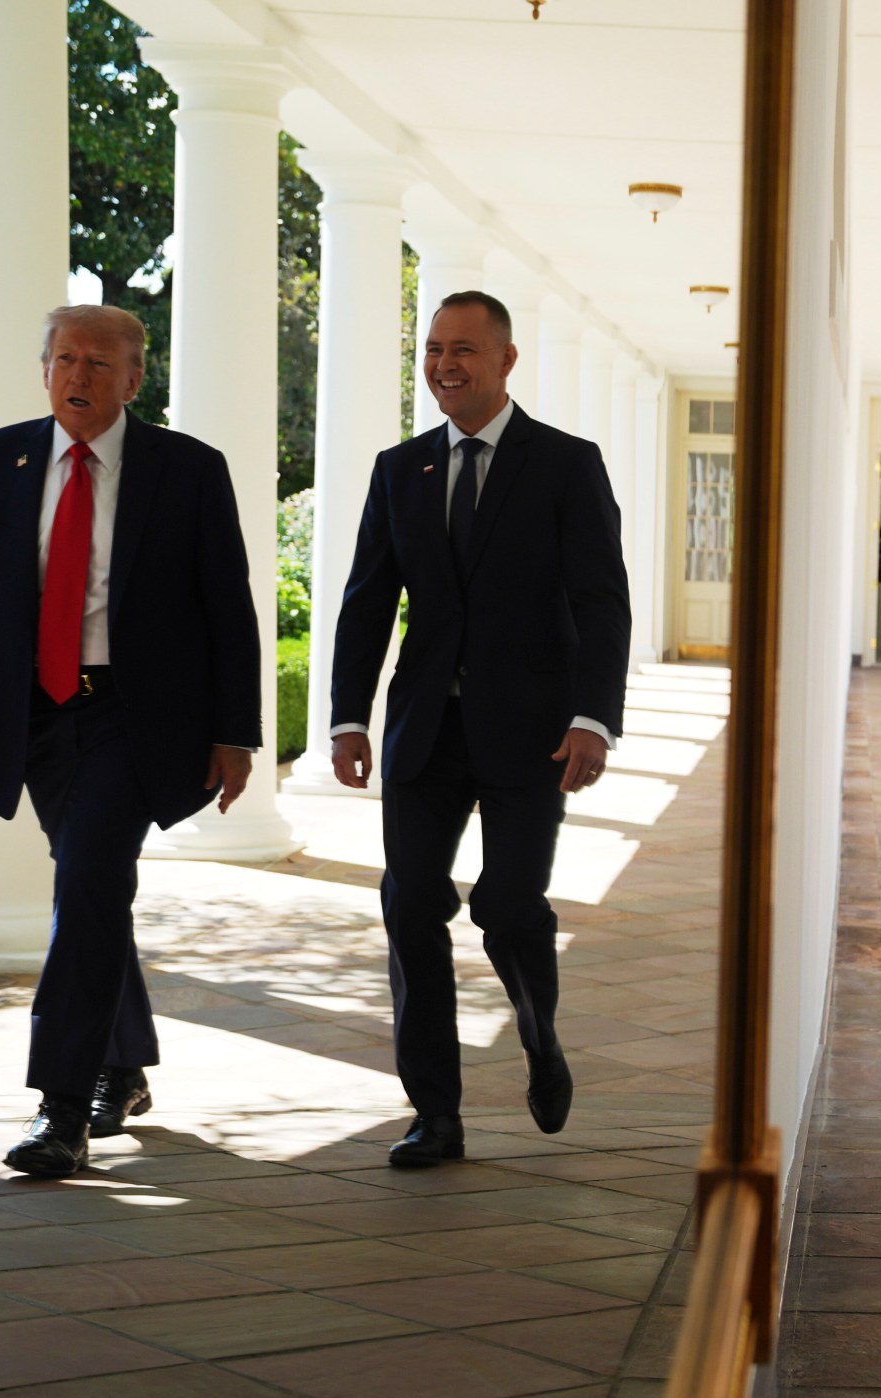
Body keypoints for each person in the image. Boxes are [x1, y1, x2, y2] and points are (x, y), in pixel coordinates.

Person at [0, 304, 260, 1179]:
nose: (79, 377)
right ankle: (124, 1066)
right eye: (64, 359)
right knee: (90, 892)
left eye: (99, 363)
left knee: (88, 883)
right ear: (44, 369)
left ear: (135, 379)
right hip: (37, 719)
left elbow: (227, 608)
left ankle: (62, 1108)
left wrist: (236, 732)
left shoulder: (187, 471)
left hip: (135, 721)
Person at [328, 290, 631, 1167]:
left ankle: (539, 1038)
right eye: (432, 349)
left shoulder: (566, 464)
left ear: (505, 361)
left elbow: (600, 600)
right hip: (426, 727)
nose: (443, 364)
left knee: (507, 907)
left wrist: (593, 718)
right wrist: (348, 716)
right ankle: (436, 1113)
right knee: (409, 902)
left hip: (533, 730)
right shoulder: (401, 469)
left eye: (463, 349)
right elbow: (366, 601)